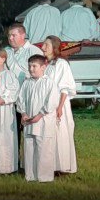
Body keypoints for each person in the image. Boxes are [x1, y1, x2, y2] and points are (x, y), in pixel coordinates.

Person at [16, 55, 59, 182]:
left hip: (43, 121)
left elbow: (51, 102)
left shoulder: (49, 83)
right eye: (29, 66)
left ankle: (44, 177)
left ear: (43, 67)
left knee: (43, 147)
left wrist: (40, 115)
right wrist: (23, 113)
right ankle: (30, 175)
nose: (31, 69)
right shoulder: (27, 83)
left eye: (34, 66)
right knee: (29, 148)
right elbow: (21, 99)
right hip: (29, 120)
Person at [42, 36, 78, 175]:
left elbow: (65, 87)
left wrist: (60, 107)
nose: (43, 47)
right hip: (47, 103)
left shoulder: (61, 64)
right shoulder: (46, 64)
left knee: (60, 133)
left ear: (54, 47)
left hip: (59, 104)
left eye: (46, 45)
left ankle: (61, 165)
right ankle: (48, 164)